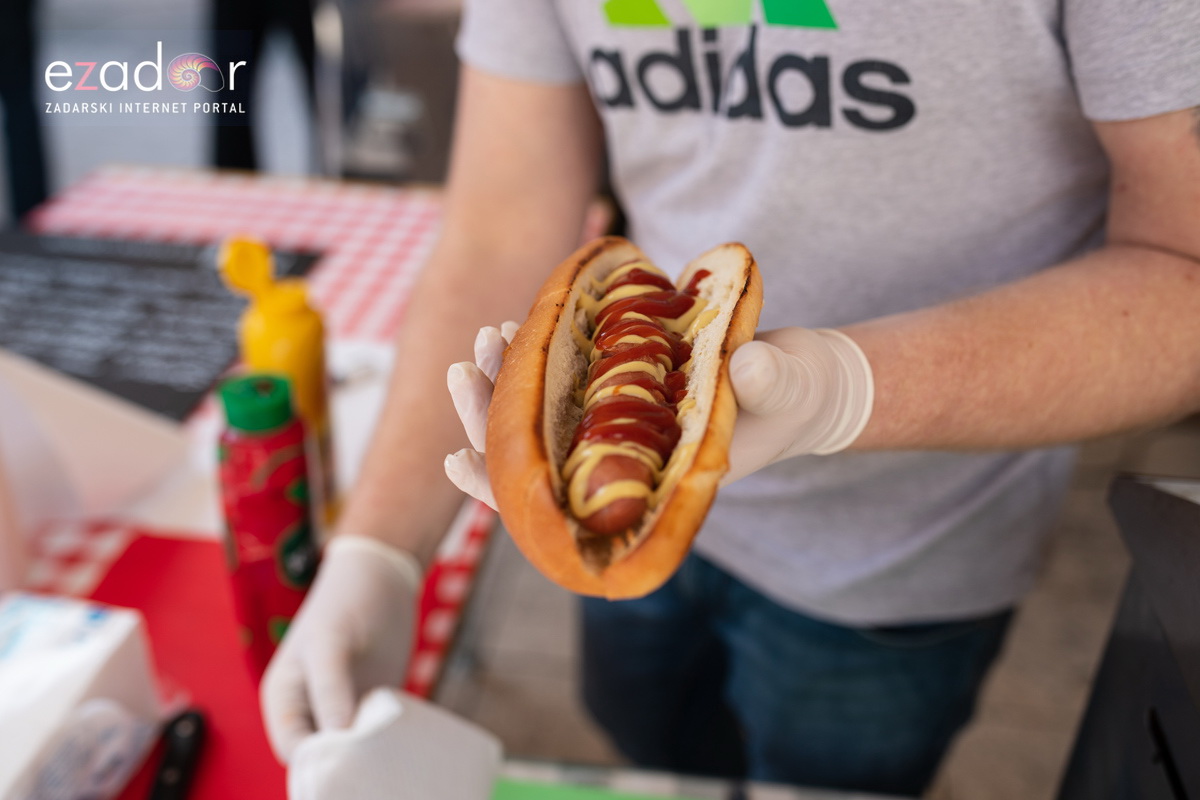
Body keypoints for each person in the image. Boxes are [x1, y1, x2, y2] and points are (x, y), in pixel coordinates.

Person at [260, 0, 1200, 794]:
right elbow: (502, 224)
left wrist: (846, 389)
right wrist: (380, 549)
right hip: (630, 546)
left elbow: (1184, 267)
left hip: (907, 551)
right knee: (650, 747)